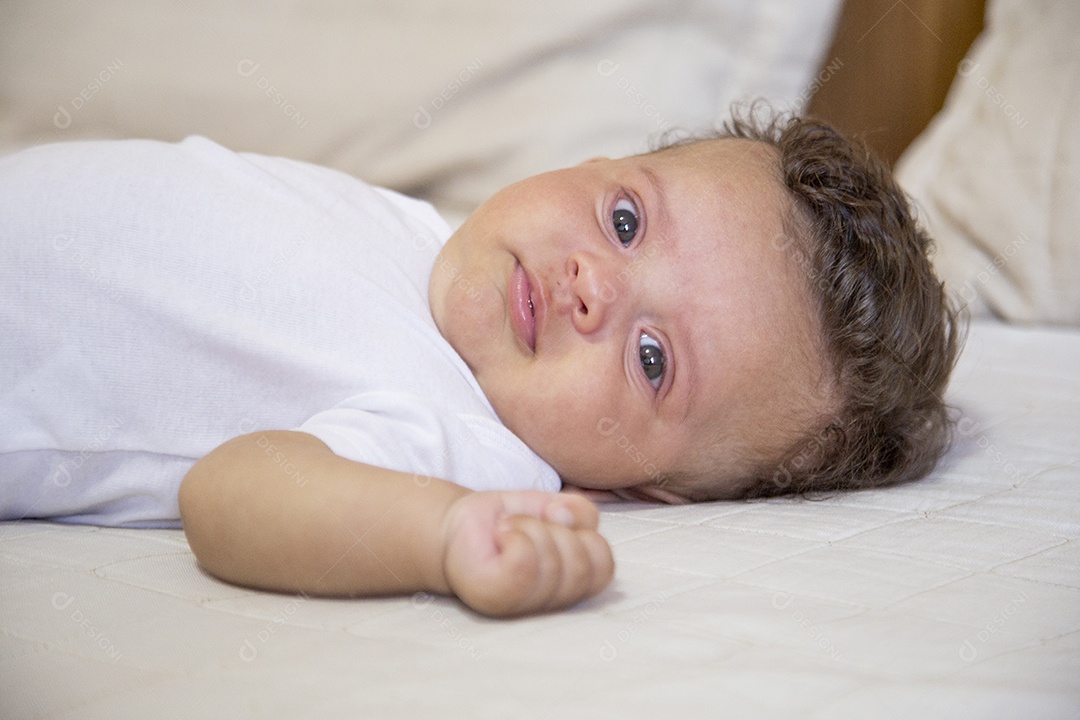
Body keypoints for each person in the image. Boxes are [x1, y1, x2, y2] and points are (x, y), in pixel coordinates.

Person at [0, 111, 959, 617]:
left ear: (648, 492)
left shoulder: (469, 438)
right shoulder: (423, 232)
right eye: (624, 221)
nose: (594, 287)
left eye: (654, 358)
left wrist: (446, 536)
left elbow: (231, 494)